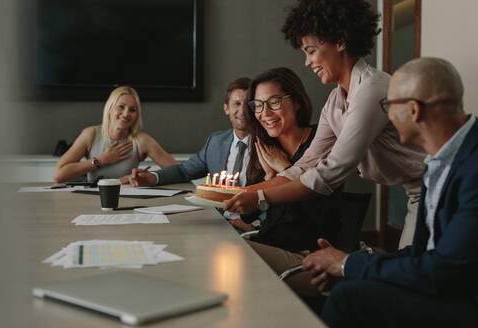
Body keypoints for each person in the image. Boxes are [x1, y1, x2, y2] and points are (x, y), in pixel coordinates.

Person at [303, 57, 478, 327]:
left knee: (348, 299)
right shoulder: (437, 161)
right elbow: (420, 253)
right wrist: (350, 266)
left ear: (413, 110)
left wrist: (349, 265)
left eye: (388, 105)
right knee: (350, 291)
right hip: (445, 290)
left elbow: (445, 271)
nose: (385, 114)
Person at [224, 0, 426, 248]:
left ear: (340, 41)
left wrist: (260, 198)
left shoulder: (372, 90)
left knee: (415, 274)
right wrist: (238, 194)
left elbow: (330, 172)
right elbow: (305, 166)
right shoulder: (335, 101)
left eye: (310, 51)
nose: (307, 62)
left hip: (441, 185)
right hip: (417, 192)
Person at [237, 67, 342, 298]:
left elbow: (318, 208)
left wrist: (286, 169)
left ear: (296, 102)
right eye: (257, 105)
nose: (265, 113)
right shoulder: (264, 146)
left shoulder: (320, 140)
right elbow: (249, 214)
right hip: (273, 244)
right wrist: (269, 178)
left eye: (274, 102)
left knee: (232, 255)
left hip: (308, 255)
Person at [129, 77, 252, 222]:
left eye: (248, 103)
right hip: (219, 222)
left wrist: (258, 227)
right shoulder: (216, 142)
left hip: (252, 227)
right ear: (226, 108)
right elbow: (184, 170)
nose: (242, 109)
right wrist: (153, 178)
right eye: (236, 104)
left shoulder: (269, 145)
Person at [52, 86, 177, 183]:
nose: (126, 114)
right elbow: (58, 175)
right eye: (121, 107)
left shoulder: (142, 140)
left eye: (132, 110)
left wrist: (148, 177)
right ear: (110, 108)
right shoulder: (90, 134)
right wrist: (101, 160)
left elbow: (179, 172)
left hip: (129, 200)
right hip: (93, 201)